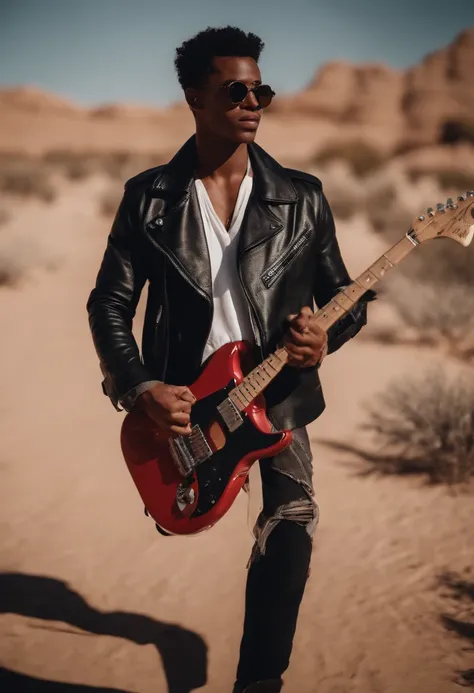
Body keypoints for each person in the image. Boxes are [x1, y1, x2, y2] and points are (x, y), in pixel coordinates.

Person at [86, 26, 375, 693]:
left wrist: (327, 337)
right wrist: (139, 387)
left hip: (276, 395)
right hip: (186, 405)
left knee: (292, 524)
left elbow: (347, 297)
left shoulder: (300, 196)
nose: (253, 102)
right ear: (194, 97)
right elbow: (108, 303)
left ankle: (258, 682)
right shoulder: (150, 198)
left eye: (261, 90)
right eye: (235, 90)